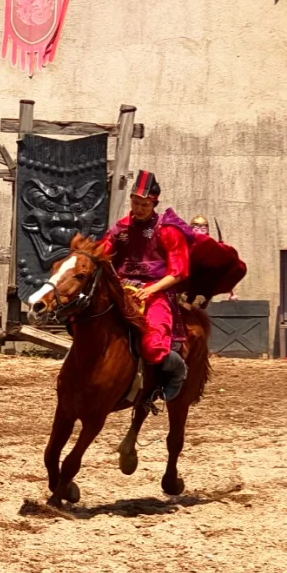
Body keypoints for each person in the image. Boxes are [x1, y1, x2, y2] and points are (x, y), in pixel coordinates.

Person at [96, 171, 190, 405]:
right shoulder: (121, 229)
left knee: (152, 346)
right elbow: (101, 253)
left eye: (144, 204)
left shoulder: (167, 229)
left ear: (154, 203)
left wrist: (149, 290)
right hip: (122, 290)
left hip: (155, 292)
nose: (138, 208)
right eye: (135, 202)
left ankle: (177, 369)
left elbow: (178, 272)